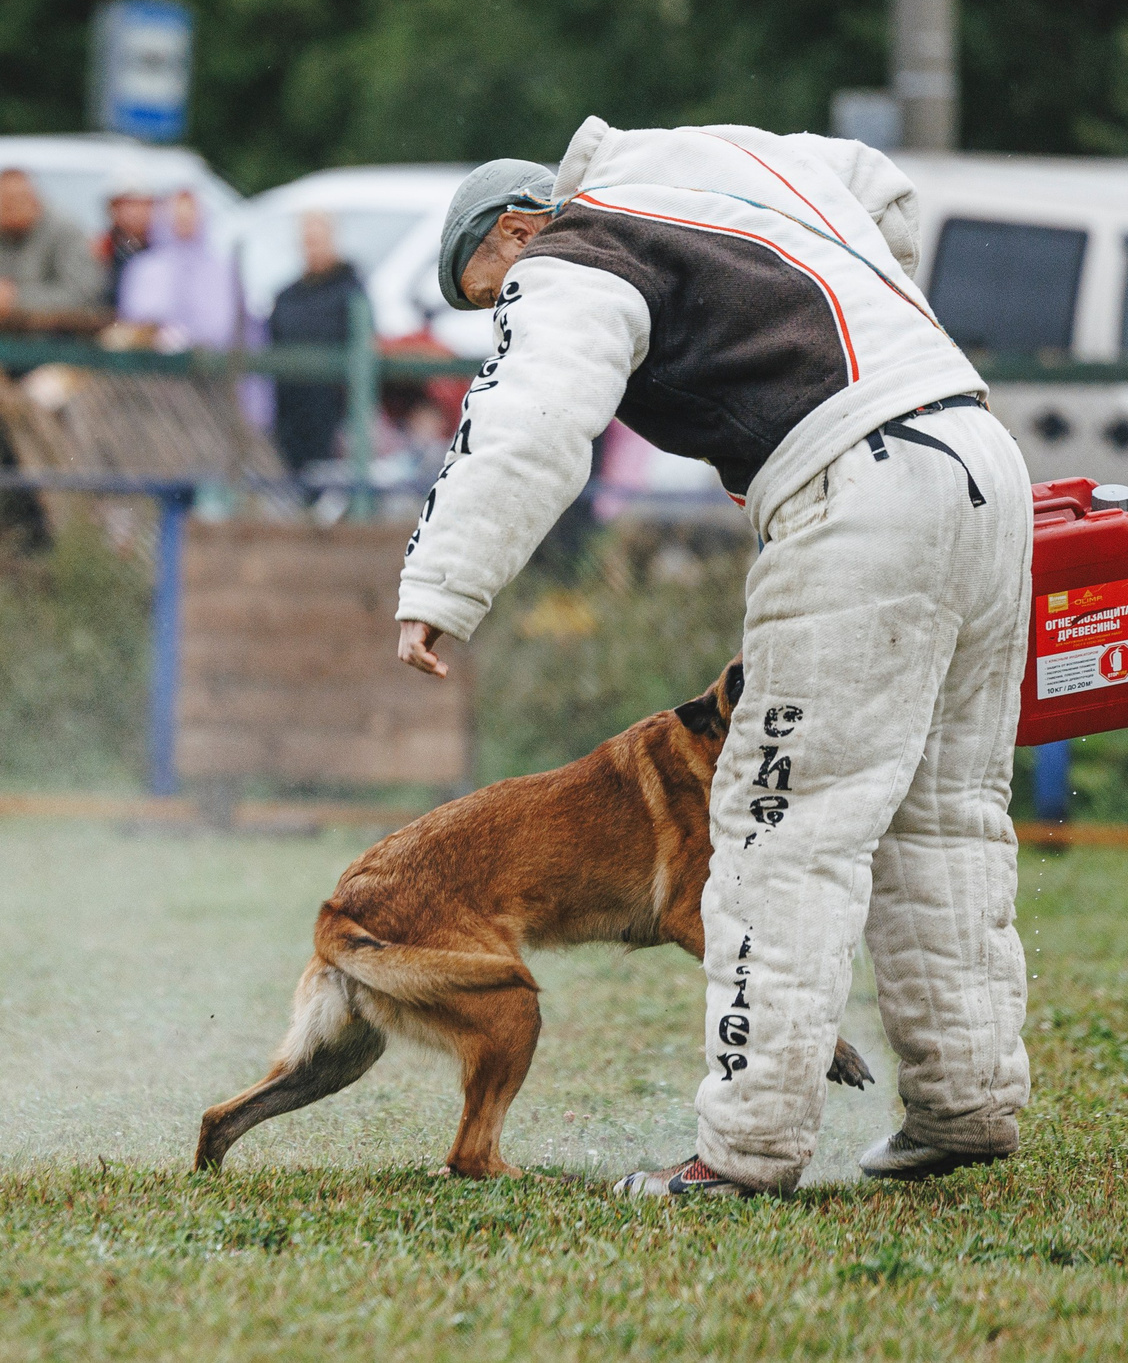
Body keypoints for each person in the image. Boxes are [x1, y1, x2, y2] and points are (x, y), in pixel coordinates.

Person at [393, 118, 1031, 1201]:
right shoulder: (717, 159)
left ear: (513, 229)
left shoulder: (576, 245)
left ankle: (743, 1151)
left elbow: (530, 415)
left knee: (777, 830)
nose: (502, 309)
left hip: (853, 480)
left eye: (487, 288)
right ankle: (963, 1105)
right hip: (979, 452)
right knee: (946, 808)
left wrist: (440, 584)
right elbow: (883, 187)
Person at [0, 167, 104, 328]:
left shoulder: (65, 231)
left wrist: (15, 300)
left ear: (36, 200)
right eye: (5, 202)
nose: (12, 208)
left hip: (51, 341)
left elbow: (83, 295)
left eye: (19, 200)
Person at [266, 211, 368, 475]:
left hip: (335, 413)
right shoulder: (286, 296)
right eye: (308, 240)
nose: (313, 247)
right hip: (291, 411)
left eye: (318, 239)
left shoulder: (351, 290)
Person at [116, 190, 242, 349]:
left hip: (211, 361)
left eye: (191, 215)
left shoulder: (221, 269)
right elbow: (135, 317)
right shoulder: (145, 267)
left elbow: (228, 322)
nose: (186, 222)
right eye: (179, 217)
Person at [98, 166, 157, 308]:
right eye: (127, 204)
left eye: (140, 204)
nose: (134, 212)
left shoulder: (161, 248)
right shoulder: (101, 248)